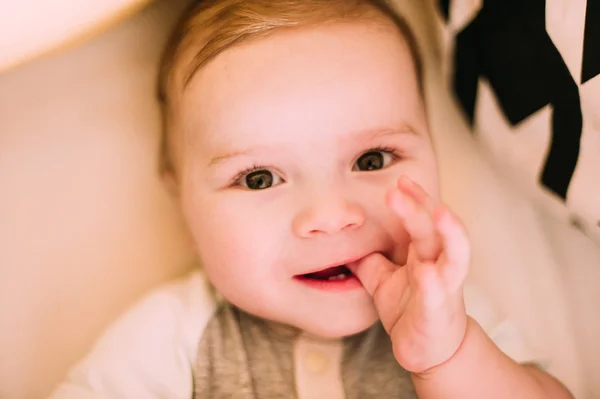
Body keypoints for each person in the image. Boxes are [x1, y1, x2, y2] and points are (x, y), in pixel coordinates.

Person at [49, 1, 572, 397]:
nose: (330, 216)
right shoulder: (171, 339)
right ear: (184, 210)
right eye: (258, 179)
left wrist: (449, 357)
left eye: (371, 160)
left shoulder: (448, 314)